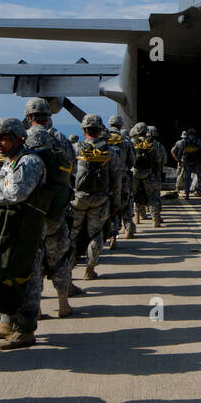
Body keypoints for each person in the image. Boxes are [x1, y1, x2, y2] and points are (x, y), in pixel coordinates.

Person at [0, 117, 47, 349]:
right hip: (11, 228)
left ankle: (25, 330)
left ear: (18, 138)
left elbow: (17, 193)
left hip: (28, 229)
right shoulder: (9, 162)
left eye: (4, 138)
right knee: (3, 272)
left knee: (28, 278)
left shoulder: (28, 162)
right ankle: (7, 322)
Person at [23, 99, 77, 318]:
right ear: (49, 116)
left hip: (30, 213)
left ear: (28, 117)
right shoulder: (59, 138)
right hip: (55, 211)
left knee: (32, 262)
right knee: (60, 258)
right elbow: (72, 167)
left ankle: (35, 309)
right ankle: (64, 304)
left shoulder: (21, 139)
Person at [70, 114, 124, 280]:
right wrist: (116, 203)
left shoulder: (74, 148)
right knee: (96, 234)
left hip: (77, 199)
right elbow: (116, 181)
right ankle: (90, 269)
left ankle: (67, 271)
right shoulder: (112, 152)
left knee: (71, 234)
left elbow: (66, 174)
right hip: (100, 199)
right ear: (101, 130)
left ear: (84, 130)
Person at [129, 121, 166, 226]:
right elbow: (159, 159)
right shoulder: (153, 143)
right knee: (153, 196)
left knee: (135, 196)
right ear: (146, 131)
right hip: (149, 173)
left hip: (134, 174)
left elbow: (129, 159)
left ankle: (137, 218)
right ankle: (155, 220)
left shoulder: (131, 142)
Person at [172, 128, 201, 199]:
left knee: (187, 179)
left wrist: (179, 161)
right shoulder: (198, 141)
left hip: (187, 163)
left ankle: (187, 194)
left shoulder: (184, 141)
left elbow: (180, 152)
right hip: (197, 162)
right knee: (200, 178)